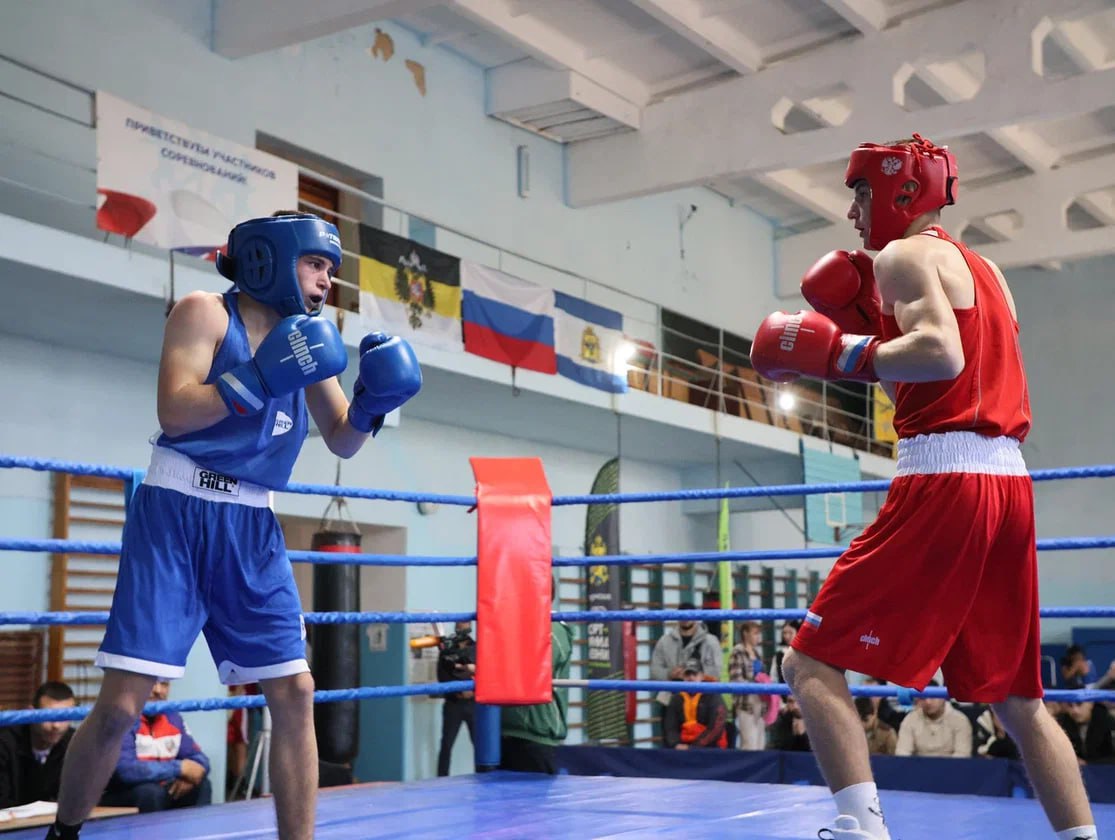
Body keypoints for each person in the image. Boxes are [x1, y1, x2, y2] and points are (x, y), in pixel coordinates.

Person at [750, 135, 1096, 840]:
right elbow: (971, 357)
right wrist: (871, 318)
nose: (851, 210)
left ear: (900, 193)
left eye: (860, 193)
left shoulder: (903, 256)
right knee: (1017, 699)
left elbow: (941, 353)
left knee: (809, 661)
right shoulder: (988, 270)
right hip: (1007, 484)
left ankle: (860, 827)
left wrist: (837, 350)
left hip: (943, 476)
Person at [46, 212, 422, 840]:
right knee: (119, 708)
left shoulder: (310, 339)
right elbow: (175, 406)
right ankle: (65, 830)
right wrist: (258, 377)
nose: (327, 281)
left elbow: (341, 440)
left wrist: (374, 404)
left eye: (331, 269)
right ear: (270, 259)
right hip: (177, 513)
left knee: (297, 691)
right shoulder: (204, 312)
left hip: (252, 523)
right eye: (316, 264)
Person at [100, 680, 211, 812]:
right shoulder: (120, 719)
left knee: (201, 785)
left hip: (161, 789)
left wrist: (190, 776)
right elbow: (126, 770)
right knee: (150, 793)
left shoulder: (173, 718)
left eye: (164, 684)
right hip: (120, 792)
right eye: (151, 682)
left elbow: (198, 758)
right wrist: (179, 768)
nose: (158, 690)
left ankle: (199, 832)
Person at [499, 606, 574, 774]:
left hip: (536, 733)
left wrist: (494, 667)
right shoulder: (515, 624)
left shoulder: (553, 629)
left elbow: (535, 669)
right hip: (505, 730)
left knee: (534, 798)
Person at [0, 682, 76, 809]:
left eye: (64, 717)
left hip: (52, 822)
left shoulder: (74, 743)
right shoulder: (5, 742)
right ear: (32, 713)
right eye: (48, 716)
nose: (56, 726)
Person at [649, 602, 723, 713]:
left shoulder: (711, 642)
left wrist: (693, 674)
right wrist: (670, 673)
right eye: (682, 615)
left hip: (702, 702)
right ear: (677, 617)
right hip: (672, 700)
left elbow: (717, 672)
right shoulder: (664, 641)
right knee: (670, 729)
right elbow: (654, 671)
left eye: (689, 614)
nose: (686, 618)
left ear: (696, 617)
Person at [436, 621, 477, 776]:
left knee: (478, 744)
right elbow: (442, 676)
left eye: (465, 624)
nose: (461, 628)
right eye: (459, 624)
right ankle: (441, 778)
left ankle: (482, 776)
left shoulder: (477, 647)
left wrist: (473, 690)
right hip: (454, 703)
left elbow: (486, 672)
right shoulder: (447, 650)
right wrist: (457, 691)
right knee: (447, 743)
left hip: (473, 702)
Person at [661, 665, 727, 750]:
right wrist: (675, 743)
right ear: (683, 677)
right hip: (682, 746)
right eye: (687, 675)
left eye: (694, 674)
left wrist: (694, 747)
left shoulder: (713, 695)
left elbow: (716, 727)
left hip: (709, 746)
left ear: (702, 676)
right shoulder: (676, 698)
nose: (691, 678)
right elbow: (670, 726)